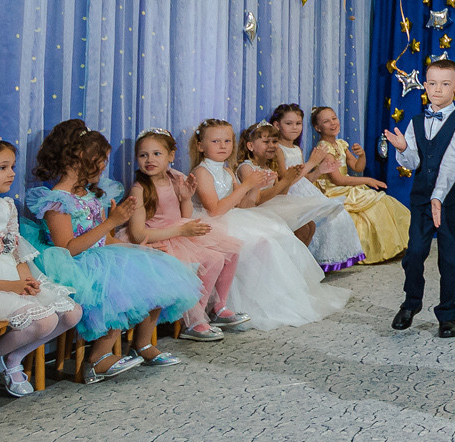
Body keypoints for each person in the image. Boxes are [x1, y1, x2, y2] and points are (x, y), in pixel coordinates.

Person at [21, 121, 200, 380]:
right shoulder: (57, 200)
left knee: (155, 269)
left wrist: (142, 250)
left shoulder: (93, 194)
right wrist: (112, 221)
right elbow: (67, 249)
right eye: (101, 159)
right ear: (81, 157)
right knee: (116, 288)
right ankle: (97, 359)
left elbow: (106, 240)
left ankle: (144, 344)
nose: (104, 165)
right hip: (74, 264)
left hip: (99, 255)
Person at [0, 133, 81, 397]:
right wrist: (12, 285)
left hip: (13, 277)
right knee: (43, 321)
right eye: (2, 167)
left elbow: (15, 249)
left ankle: (9, 358)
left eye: (12, 166)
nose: (11, 173)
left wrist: (26, 281)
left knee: (71, 313)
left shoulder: (7, 206)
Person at [189, 119, 345, 331]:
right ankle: (223, 305)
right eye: (215, 141)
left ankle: (271, 298)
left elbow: (244, 205)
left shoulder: (226, 172)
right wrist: (246, 185)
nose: (223, 146)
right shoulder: (201, 172)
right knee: (257, 242)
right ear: (200, 146)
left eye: (227, 141)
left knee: (276, 235)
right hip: (212, 223)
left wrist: (253, 188)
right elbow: (214, 210)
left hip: (234, 216)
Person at [125, 130, 246, 343]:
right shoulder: (140, 189)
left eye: (156, 154)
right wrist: (181, 231)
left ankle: (216, 308)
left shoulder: (177, 177)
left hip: (177, 232)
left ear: (171, 156)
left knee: (231, 249)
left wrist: (186, 199)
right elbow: (138, 235)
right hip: (154, 241)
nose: (150, 160)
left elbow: (185, 216)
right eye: (143, 155)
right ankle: (193, 321)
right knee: (211, 259)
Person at [387, 59, 455, 337]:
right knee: (414, 254)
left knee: (449, 259)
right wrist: (403, 149)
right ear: (425, 86)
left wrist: (439, 197)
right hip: (422, 200)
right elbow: (413, 162)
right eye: (433, 83)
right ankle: (411, 303)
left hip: (452, 201)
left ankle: (447, 314)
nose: (438, 89)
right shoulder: (415, 121)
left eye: (445, 84)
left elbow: (451, 162)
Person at [248, 115, 364, 273]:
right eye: (289, 123)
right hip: (279, 199)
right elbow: (282, 184)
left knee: (325, 218)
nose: (295, 127)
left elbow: (294, 182)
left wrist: (319, 171)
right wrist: (310, 164)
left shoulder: (295, 150)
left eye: (298, 123)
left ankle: (305, 266)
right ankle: (297, 268)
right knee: (309, 222)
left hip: (294, 190)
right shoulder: (267, 158)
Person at [309, 106, 410, 263]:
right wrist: (367, 180)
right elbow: (338, 180)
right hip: (334, 190)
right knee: (377, 204)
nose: (333, 123)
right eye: (326, 121)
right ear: (317, 127)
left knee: (384, 202)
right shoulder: (324, 149)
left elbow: (357, 167)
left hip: (346, 186)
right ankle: (373, 251)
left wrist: (362, 155)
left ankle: (396, 246)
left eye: (334, 118)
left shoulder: (340, 144)